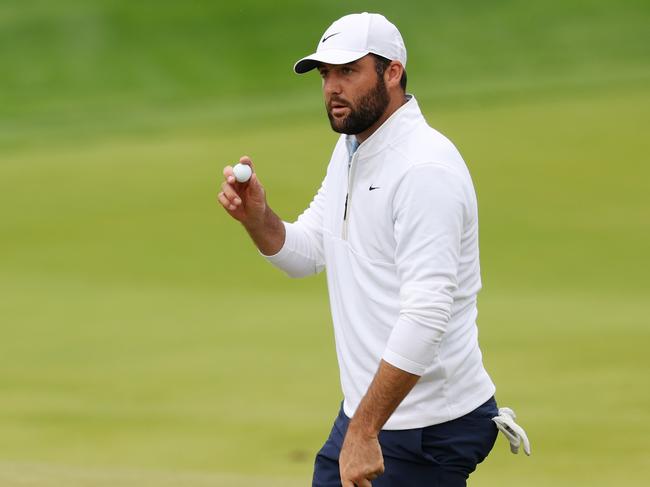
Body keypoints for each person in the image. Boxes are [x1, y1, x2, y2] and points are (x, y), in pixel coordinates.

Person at [218, 12, 528, 487]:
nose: (332, 88)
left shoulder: (425, 169)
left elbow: (426, 314)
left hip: (428, 427)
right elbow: (308, 254)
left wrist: (364, 430)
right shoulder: (352, 150)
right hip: (375, 417)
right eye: (326, 74)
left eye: (348, 71)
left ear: (392, 72)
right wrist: (259, 219)